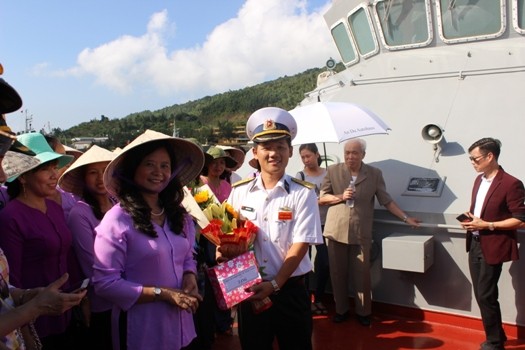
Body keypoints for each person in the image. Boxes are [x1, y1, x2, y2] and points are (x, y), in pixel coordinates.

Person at [92, 129, 205, 350]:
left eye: (165, 166)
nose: (158, 172)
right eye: (149, 164)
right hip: (141, 332)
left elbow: (187, 255)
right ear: (133, 169)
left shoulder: (177, 214)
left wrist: (190, 275)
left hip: (182, 327)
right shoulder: (117, 219)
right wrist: (161, 294)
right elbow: (105, 284)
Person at [0, 71, 85, 349]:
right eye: (44, 169)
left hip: (60, 309)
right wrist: (33, 305)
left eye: (54, 168)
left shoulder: (55, 206)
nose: (53, 175)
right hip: (28, 325)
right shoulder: (12, 217)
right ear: (22, 176)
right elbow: (13, 276)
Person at [227, 107, 323, 350]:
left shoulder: (303, 193)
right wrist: (224, 254)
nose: (273, 153)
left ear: (290, 151)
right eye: (266, 147)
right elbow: (229, 236)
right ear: (255, 152)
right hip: (251, 289)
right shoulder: (239, 192)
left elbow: (301, 245)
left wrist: (276, 284)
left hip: (290, 291)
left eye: (280, 147)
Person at [319, 138, 420, 326]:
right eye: (347, 152)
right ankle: (341, 309)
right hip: (336, 231)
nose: (350, 156)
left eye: (355, 153)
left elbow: (386, 201)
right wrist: (341, 196)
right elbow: (322, 198)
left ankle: (364, 312)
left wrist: (406, 219)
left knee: (362, 275)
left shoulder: (374, 174)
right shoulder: (333, 171)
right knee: (337, 273)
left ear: (363, 155)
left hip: (361, 231)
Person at [459, 137, 525, 350]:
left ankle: (495, 342)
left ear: (490, 156)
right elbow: (480, 210)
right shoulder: (479, 180)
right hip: (475, 243)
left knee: (486, 294)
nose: (472, 163)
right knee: (481, 294)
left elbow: (520, 218)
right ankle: (498, 335)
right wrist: (471, 219)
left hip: (493, 245)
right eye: (470, 159)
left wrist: (488, 225)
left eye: (475, 159)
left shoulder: (511, 183)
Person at [59, 145, 117, 349]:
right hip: (104, 301)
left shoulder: (119, 204)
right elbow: (91, 264)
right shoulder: (80, 214)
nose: (100, 177)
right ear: (84, 178)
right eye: (93, 172)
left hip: (132, 295)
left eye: (105, 171)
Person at [296, 143, 329, 315]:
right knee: (305, 262)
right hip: (306, 224)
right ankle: (306, 299)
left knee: (325, 262)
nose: (306, 160)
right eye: (303, 157)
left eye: (308, 156)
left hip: (325, 223)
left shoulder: (328, 174)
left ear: (317, 154)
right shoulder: (300, 176)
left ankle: (320, 296)